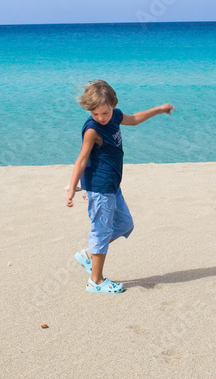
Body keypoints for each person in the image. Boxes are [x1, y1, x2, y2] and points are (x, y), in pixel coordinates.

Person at [65, 80, 175, 294]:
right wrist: (72, 188)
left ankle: (89, 255)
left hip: (113, 183)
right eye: (95, 114)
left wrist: (159, 109)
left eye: (104, 113)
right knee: (101, 231)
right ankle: (95, 281)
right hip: (100, 186)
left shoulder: (114, 116)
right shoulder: (92, 130)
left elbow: (133, 119)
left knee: (125, 224)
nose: (100, 118)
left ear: (113, 105)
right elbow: (81, 159)